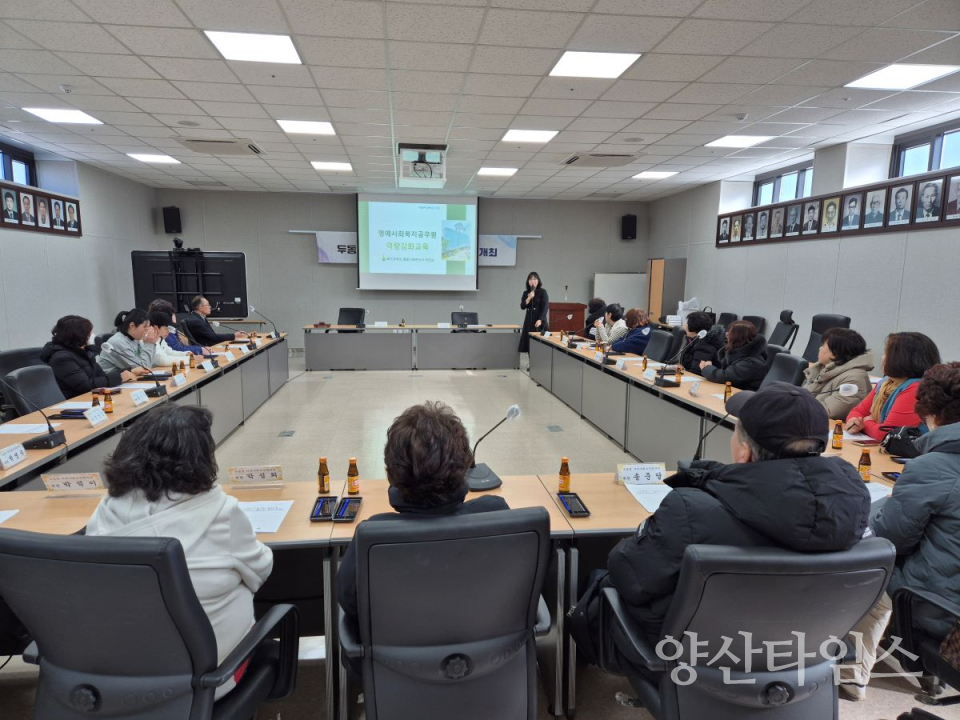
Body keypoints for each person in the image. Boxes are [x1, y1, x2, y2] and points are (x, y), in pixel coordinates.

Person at [606, 382, 870, 645]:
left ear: (743, 452)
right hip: (804, 652)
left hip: (693, 651)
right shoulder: (855, 509)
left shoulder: (690, 511)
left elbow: (628, 576)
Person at [86, 405, 272, 700]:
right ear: (201, 457)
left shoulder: (106, 508)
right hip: (208, 677)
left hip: (119, 671)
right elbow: (260, 569)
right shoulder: (222, 511)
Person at [337, 402, 508, 646]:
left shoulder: (373, 535)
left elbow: (351, 603)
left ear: (391, 473)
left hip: (396, 665)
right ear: (464, 468)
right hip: (486, 657)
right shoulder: (495, 514)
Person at [840, 363, 960, 701]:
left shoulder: (933, 467)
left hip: (942, 609)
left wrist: (881, 508)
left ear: (930, 412)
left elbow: (892, 537)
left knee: (868, 567)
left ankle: (851, 675)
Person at [846, 332, 941, 441]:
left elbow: (888, 434)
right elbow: (857, 412)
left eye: (886, 353)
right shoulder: (886, 383)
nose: (882, 357)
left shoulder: (916, 388)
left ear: (901, 359)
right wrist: (855, 421)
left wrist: (866, 423)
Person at [40, 315, 140, 397]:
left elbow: (101, 377)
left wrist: (128, 371)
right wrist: (119, 376)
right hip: (78, 402)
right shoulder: (62, 358)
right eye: (89, 332)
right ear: (78, 335)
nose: (92, 335)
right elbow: (85, 386)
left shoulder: (82, 351)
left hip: (94, 397)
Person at [802, 328, 874, 420]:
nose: (820, 348)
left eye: (823, 345)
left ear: (835, 353)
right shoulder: (823, 369)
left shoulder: (854, 379)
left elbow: (829, 412)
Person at [699, 320, 768, 390]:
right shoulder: (736, 352)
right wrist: (710, 366)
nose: (727, 337)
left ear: (737, 338)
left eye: (729, 335)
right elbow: (724, 370)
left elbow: (724, 377)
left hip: (743, 397)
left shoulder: (751, 363)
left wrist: (707, 368)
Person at [96, 309, 157, 376]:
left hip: (124, 380)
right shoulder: (119, 342)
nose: (147, 331)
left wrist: (152, 342)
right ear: (132, 326)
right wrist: (149, 343)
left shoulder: (135, 339)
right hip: (109, 383)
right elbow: (142, 369)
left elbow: (148, 365)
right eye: (145, 327)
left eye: (148, 327)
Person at [181, 296, 248, 347]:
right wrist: (234, 335)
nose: (210, 307)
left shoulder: (199, 318)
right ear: (200, 308)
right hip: (207, 348)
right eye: (207, 305)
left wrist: (234, 336)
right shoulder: (196, 321)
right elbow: (213, 337)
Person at [518, 271, 548, 354]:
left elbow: (545, 307)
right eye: (530, 279)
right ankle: (531, 364)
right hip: (529, 320)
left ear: (538, 281)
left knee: (540, 344)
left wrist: (540, 319)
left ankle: (540, 364)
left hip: (539, 320)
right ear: (528, 282)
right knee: (529, 343)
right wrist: (529, 298)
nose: (532, 281)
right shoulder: (526, 293)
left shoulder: (543, 292)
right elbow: (522, 306)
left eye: (535, 279)